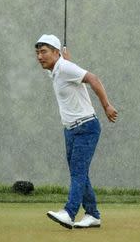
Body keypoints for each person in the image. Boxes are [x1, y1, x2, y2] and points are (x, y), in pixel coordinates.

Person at [35, 34, 118, 229]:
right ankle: (92, 214)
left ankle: (69, 212)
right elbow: (68, 72)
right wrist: (65, 60)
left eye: (44, 52)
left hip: (86, 127)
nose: (40, 56)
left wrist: (106, 106)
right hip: (71, 130)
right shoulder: (58, 69)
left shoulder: (63, 67)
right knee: (78, 172)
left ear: (56, 52)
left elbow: (93, 79)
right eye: (37, 52)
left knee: (78, 172)